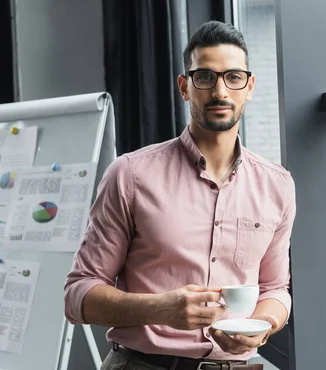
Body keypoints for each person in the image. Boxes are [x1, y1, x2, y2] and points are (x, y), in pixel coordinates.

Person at [64, 21, 296, 370]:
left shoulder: (277, 185)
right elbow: (78, 294)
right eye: (205, 77)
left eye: (233, 77)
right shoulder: (130, 175)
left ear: (249, 87)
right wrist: (159, 308)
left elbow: (276, 289)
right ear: (185, 87)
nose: (220, 91)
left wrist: (263, 326)